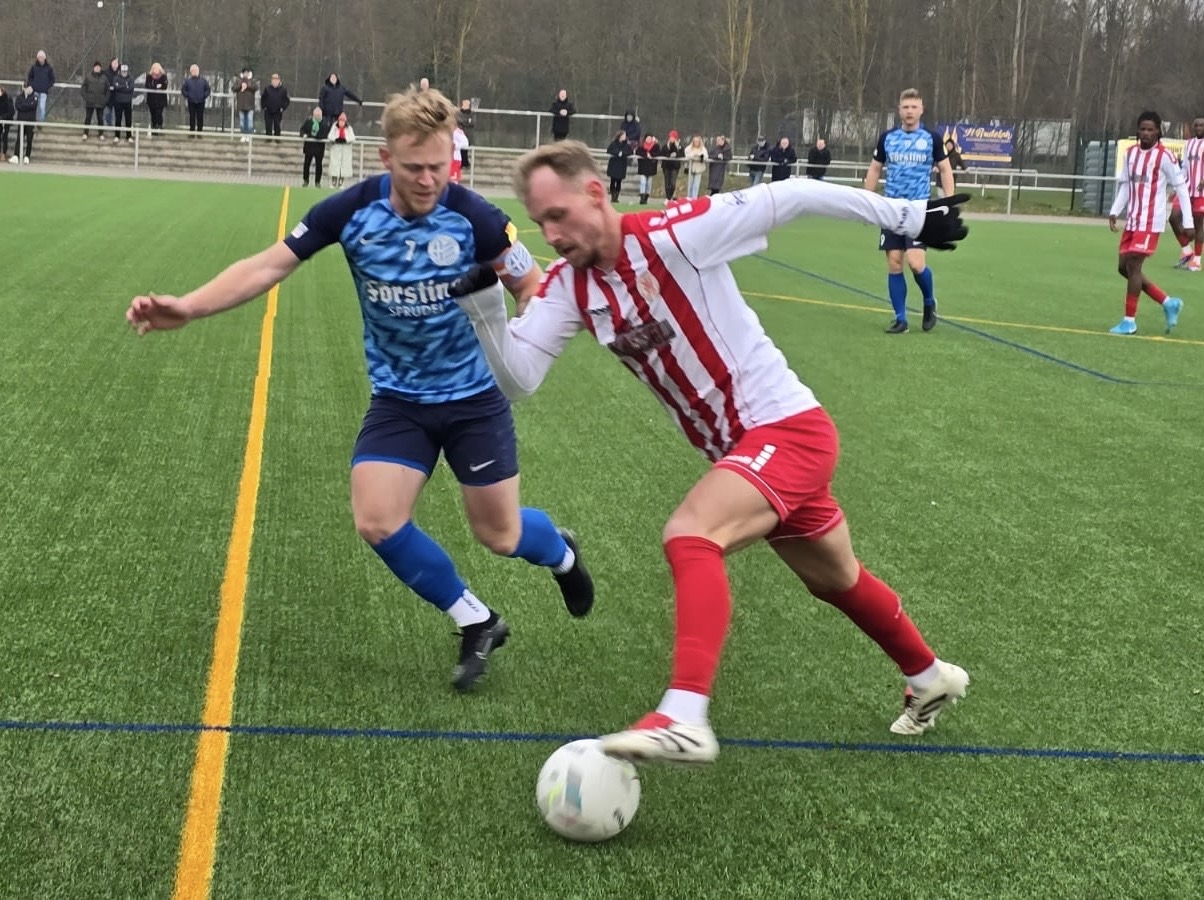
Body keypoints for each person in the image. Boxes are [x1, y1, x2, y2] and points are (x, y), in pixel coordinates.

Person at [450, 140, 971, 764]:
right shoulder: (570, 288)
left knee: (690, 534)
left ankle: (684, 715)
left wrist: (907, 217)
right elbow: (521, 379)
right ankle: (929, 675)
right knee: (837, 580)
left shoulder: (676, 234)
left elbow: (793, 195)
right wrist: (485, 308)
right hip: (747, 451)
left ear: (594, 193)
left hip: (786, 429)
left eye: (558, 216)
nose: (552, 235)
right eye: (541, 222)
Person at [125, 89, 594, 692]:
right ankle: (476, 619)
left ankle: (561, 553)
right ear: (385, 158)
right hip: (399, 399)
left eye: (440, 166)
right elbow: (269, 265)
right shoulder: (350, 211)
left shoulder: (475, 218)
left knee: (499, 535)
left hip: (474, 399)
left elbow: (532, 286)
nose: (428, 180)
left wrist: (520, 336)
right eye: (414, 167)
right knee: (377, 519)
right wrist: (188, 307)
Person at [864, 88, 954, 334]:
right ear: (899, 110)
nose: (909, 111)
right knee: (895, 262)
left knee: (915, 263)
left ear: (921, 110)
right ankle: (900, 319)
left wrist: (949, 202)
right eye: (905, 107)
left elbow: (945, 170)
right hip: (891, 208)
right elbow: (875, 168)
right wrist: (867, 200)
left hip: (919, 210)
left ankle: (929, 302)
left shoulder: (932, 138)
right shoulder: (887, 138)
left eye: (914, 107)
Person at [1107, 111, 1190, 336]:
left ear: (1158, 131)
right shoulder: (1131, 154)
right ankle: (1168, 302)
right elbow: (1126, 185)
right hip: (1133, 221)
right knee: (1123, 268)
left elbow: (1181, 187)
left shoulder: (1164, 156)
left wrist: (1188, 221)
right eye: (1142, 129)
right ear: (1137, 130)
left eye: (1150, 129)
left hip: (1151, 221)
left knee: (1134, 266)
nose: (1145, 133)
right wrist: (1115, 210)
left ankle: (1129, 321)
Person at [1168, 116, 1204, 271]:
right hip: (1186, 189)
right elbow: (1184, 167)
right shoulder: (1188, 144)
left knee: (1198, 224)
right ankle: (1187, 250)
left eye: (1201, 125)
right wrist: (1177, 187)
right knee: (1173, 217)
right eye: (1196, 125)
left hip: (1201, 192)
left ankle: (1196, 260)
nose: (1198, 128)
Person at [299, 106, 329, 187]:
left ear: (321, 115)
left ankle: (317, 182)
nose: (317, 117)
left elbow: (325, 135)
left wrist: (315, 136)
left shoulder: (324, 123)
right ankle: (306, 180)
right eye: (316, 115)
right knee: (306, 164)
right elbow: (302, 129)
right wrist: (304, 135)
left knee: (319, 165)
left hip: (319, 148)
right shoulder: (308, 121)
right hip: (309, 147)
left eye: (318, 115)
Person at [81, 62, 110, 141]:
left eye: (98, 67)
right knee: (88, 118)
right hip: (90, 102)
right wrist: (87, 98)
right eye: (96, 67)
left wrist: (105, 100)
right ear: (93, 68)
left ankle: (101, 134)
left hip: (100, 103)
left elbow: (108, 90)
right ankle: (85, 133)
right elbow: (83, 88)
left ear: (100, 68)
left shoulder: (104, 78)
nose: (97, 68)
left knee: (100, 118)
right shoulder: (88, 77)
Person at [327, 111, 356, 188]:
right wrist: (336, 139)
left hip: (345, 149)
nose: (341, 122)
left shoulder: (349, 128)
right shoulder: (334, 127)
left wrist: (346, 139)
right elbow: (330, 136)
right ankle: (333, 181)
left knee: (343, 166)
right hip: (336, 148)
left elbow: (353, 138)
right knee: (334, 165)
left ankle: (341, 181)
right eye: (340, 120)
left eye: (343, 121)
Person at [261, 73, 291, 139]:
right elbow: (263, 98)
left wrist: (283, 108)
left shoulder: (283, 89)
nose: (275, 81)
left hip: (278, 111)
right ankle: (268, 138)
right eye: (273, 79)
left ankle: (277, 138)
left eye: (276, 79)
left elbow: (287, 100)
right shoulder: (267, 88)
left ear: (279, 80)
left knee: (277, 125)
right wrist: (264, 107)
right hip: (268, 110)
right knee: (268, 125)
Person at [605, 129, 631, 202]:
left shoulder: (626, 145)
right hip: (614, 164)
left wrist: (623, 153)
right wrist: (617, 153)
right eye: (623, 135)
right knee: (613, 181)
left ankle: (616, 197)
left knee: (619, 181)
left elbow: (630, 152)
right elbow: (609, 150)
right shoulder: (613, 143)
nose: (625, 137)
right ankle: (613, 196)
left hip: (621, 164)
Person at [145, 63, 168, 135]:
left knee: (159, 114)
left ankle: (160, 128)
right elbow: (147, 86)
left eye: (157, 68)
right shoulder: (149, 77)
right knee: (153, 115)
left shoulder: (163, 77)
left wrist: (156, 86)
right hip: (151, 99)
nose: (156, 70)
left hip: (161, 100)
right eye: (154, 68)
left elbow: (164, 86)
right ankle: (154, 130)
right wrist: (156, 86)